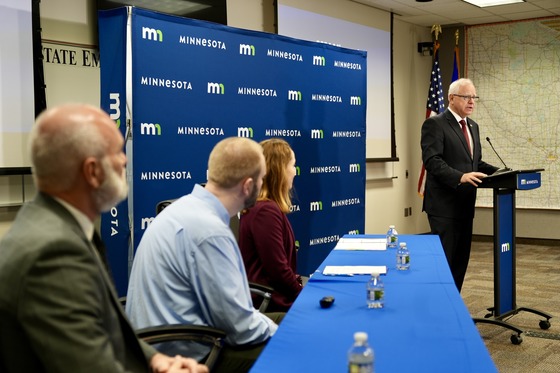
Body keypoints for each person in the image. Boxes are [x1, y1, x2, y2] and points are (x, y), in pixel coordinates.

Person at [0, 103, 207, 373]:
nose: (125, 160)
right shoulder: (54, 253)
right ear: (92, 172)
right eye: (116, 152)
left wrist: (155, 360)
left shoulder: (52, 225)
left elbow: (103, 327)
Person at [125, 137, 284, 373]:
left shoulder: (183, 208)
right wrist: (284, 333)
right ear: (248, 185)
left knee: (285, 320)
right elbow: (240, 327)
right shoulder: (211, 233)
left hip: (157, 341)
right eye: (261, 180)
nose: (262, 185)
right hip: (187, 355)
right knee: (290, 345)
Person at [421, 78, 499, 292]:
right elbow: (432, 161)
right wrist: (460, 177)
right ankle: (437, 306)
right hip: (443, 207)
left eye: (474, 97)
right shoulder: (435, 123)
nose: (472, 101)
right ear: (452, 98)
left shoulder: (473, 126)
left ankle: (453, 303)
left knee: (460, 261)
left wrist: (502, 172)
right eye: (467, 97)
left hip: (465, 205)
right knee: (444, 261)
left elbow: (476, 163)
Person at [238, 138, 303, 312]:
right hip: (271, 306)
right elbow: (279, 271)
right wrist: (304, 297)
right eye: (292, 165)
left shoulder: (265, 208)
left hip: (275, 299)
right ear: (279, 170)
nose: (295, 172)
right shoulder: (265, 212)